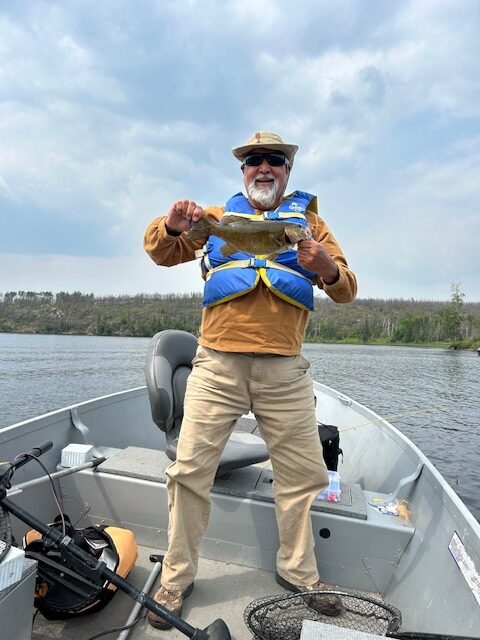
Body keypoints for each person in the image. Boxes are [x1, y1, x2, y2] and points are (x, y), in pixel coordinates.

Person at [143, 131, 357, 629]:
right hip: (217, 365)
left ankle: (299, 572)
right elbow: (162, 251)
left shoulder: (311, 224)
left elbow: (346, 289)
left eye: (275, 161)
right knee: (190, 472)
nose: (264, 168)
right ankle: (175, 579)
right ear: (243, 171)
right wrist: (170, 226)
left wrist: (325, 268)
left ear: (287, 171)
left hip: (284, 369)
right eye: (254, 161)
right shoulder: (219, 218)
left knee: (303, 476)